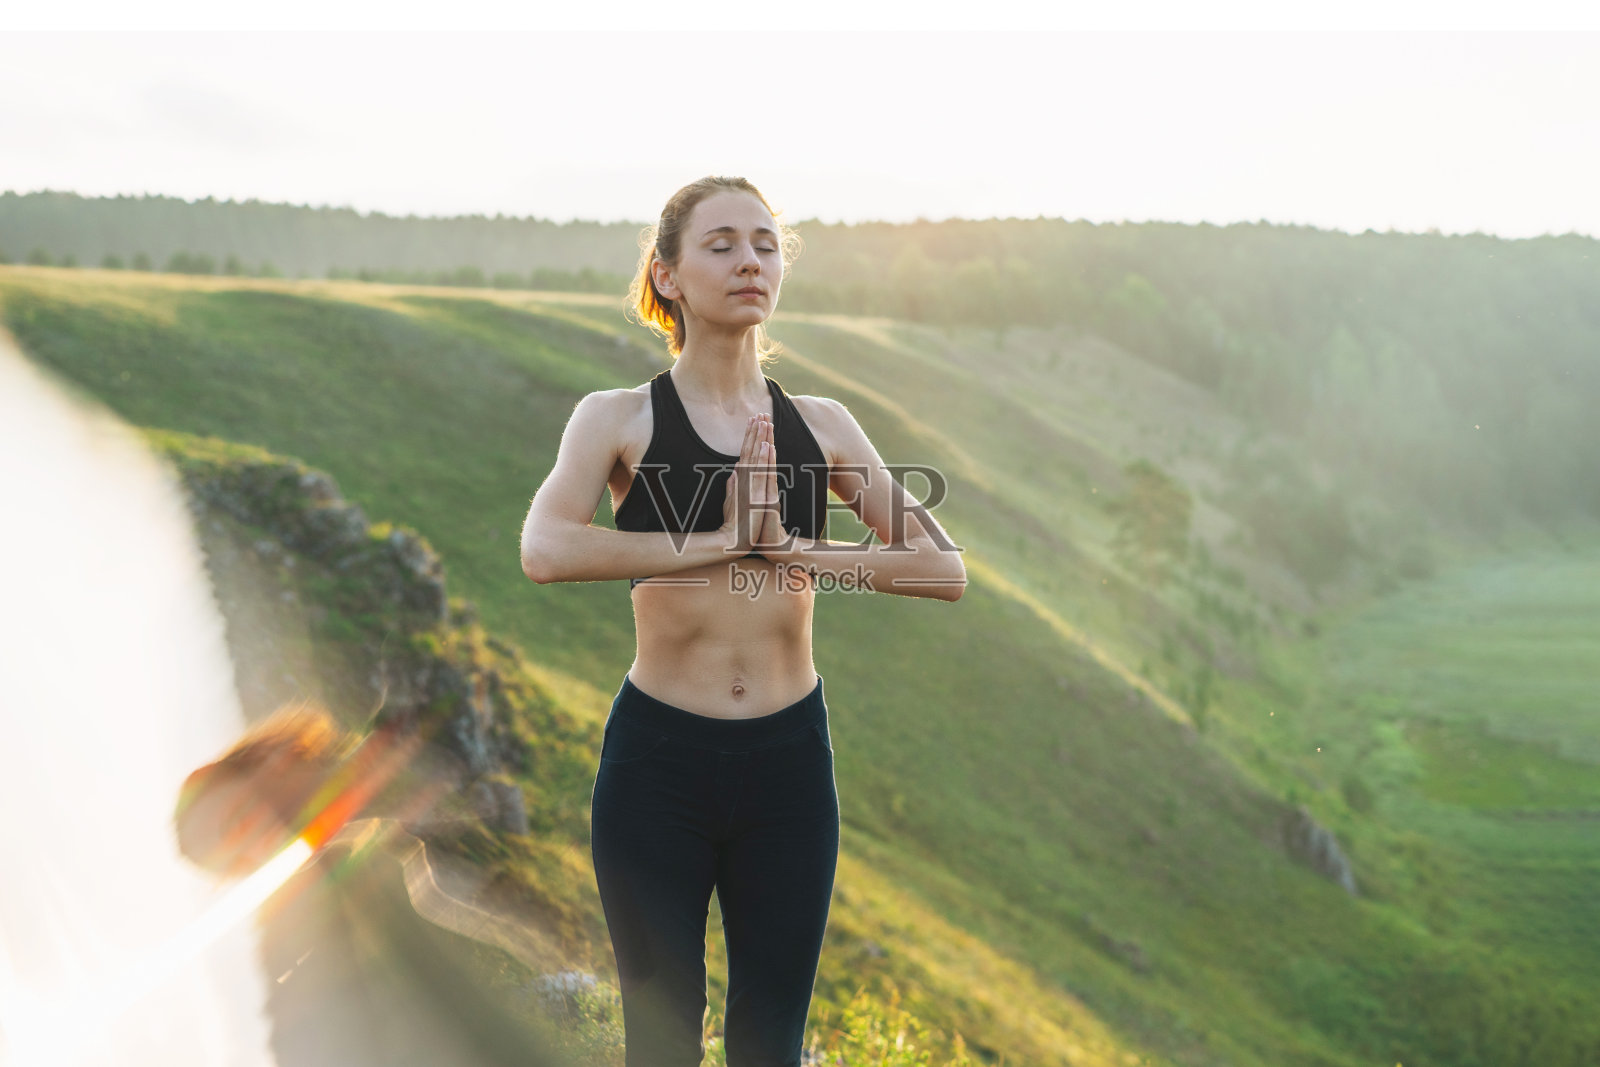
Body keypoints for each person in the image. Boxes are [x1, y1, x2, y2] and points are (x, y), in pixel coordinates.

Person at [518, 175, 966, 1066]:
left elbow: (940, 567)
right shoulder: (618, 419)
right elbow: (546, 548)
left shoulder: (823, 426)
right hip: (658, 766)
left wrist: (791, 550)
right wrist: (723, 538)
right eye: (721, 245)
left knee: (770, 1046)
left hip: (787, 768)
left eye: (765, 244)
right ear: (669, 276)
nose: (750, 261)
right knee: (661, 1044)